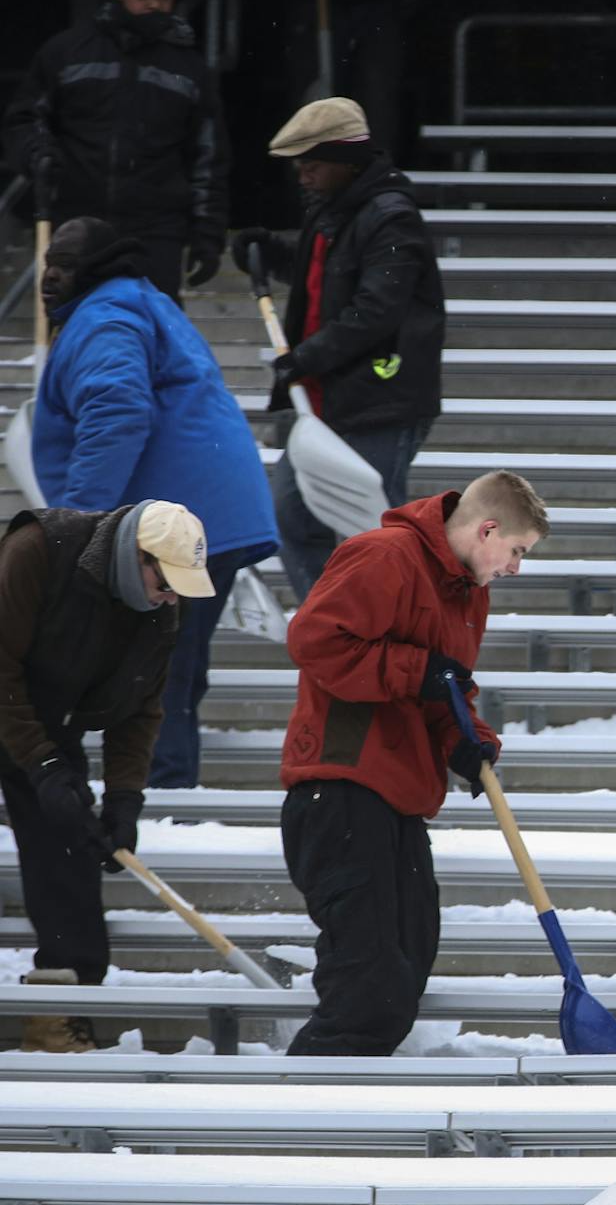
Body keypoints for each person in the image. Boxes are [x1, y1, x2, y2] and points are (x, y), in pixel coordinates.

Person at [279, 472, 545, 1056]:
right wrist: (417, 670)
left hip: (400, 794)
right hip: (342, 784)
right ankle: (303, 1120)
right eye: (517, 552)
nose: (516, 568)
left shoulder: (468, 592)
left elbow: (444, 687)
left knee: (410, 957)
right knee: (368, 986)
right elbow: (315, 640)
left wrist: (467, 740)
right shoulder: (383, 556)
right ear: (488, 529)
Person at [32, 216, 277, 790]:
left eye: (64, 266)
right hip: (203, 509)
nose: (50, 278)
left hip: (175, 519)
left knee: (156, 670)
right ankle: (164, 788)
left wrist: (72, 524)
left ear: (94, 270)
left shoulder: (105, 317)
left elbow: (116, 411)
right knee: (170, 667)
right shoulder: (137, 303)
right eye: (48, 264)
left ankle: (162, 795)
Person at [1, 500, 212, 1052]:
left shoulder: (161, 606)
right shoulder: (40, 550)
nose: (171, 598)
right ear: (136, 556)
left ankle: (57, 1010)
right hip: (14, 702)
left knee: (69, 854)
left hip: (48, 723)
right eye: (165, 583)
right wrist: (42, 762)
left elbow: (141, 707)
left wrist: (124, 798)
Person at [229, 97, 445, 603]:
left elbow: (377, 309)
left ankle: (385, 631)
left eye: (312, 163)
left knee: (374, 532)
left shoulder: (393, 218)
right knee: (291, 514)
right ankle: (335, 628)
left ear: (347, 160)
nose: (302, 175)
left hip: (380, 401)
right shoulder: (334, 212)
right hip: (329, 401)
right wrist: (270, 250)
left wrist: (307, 357)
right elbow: (325, 278)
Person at [1, 0, 229, 299]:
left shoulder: (189, 69)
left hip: (155, 232)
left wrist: (207, 234)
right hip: (77, 224)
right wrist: (37, 153)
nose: (154, 5)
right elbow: (25, 119)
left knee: (150, 329)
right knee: (75, 329)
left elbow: (208, 158)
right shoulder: (66, 52)